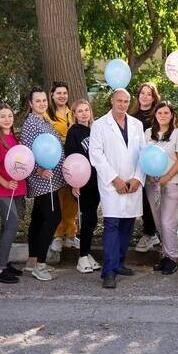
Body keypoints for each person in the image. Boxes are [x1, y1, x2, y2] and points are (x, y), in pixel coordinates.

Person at [89, 88, 147, 288]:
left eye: (126, 101)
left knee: (127, 225)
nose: (122, 104)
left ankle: (119, 262)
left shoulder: (137, 125)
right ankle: (109, 272)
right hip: (111, 185)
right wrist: (115, 180)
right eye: (119, 101)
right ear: (111, 101)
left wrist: (138, 178)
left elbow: (144, 154)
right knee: (112, 224)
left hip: (132, 183)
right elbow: (96, 155)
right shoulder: (99, 125)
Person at [20, 88, 67, 281]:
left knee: (38, 219)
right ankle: (40, 264)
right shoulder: (30, 124)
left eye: (44, 100)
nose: (42, 103)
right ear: (30, 104)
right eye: (37, 101)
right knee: (54, 217)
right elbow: (27, 152)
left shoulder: (45, 119)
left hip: (52, 178)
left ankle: (31, 262)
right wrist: (38, 170)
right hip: (41, 179)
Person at [0, 103, 27, 284]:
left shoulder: (14, 138)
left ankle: (5, 263)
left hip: (17, 188)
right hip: (3, 190)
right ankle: (0, 270)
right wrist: (5, 183)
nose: (7, 119)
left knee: (6, 227)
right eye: (2, 116)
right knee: (12, 226)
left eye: (9, 115)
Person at [145, 101, 178, 275]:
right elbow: (143, 156)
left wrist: (167, 177)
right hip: (152, 183)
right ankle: (164, 255)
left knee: (168, 221)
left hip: (172, 182)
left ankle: (172, 258)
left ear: (172, 115)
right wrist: (152, 177)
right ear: (155, 115)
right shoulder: (148, 133)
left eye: (166, 113)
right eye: (160, 113)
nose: (163, 115)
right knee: (158, 221)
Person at [64, 99, 102, 274]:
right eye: (80, 111)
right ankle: (82, 257)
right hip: (81, 182)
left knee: (92, 219)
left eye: (86, 110)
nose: (84, 113)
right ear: (74, 114)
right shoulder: (73, 132)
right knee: (87, 218)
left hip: (96, 181)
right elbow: (70, 158)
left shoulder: (96, 129)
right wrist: (74, 183)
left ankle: (87, 254)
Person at [46, 81, 79, 254]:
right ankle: (58, 235)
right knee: (58, 196)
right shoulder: (47, 115)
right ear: (52, 95)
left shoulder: (72, 113)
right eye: (58, 93)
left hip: (73, 159)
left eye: (64, 93)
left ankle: (71, 233)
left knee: (72, 197)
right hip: (55, 159)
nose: (62, 96)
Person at [130, 82, 161, 253]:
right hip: (134, 162)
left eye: (149, 94)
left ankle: (151, 233)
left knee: (152, 199)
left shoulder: (157, 115)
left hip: (152, 162)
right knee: (140, 198)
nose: (145, 96)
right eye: (142, 93)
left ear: (154, 97)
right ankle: (148, 231)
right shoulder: (131, 115)